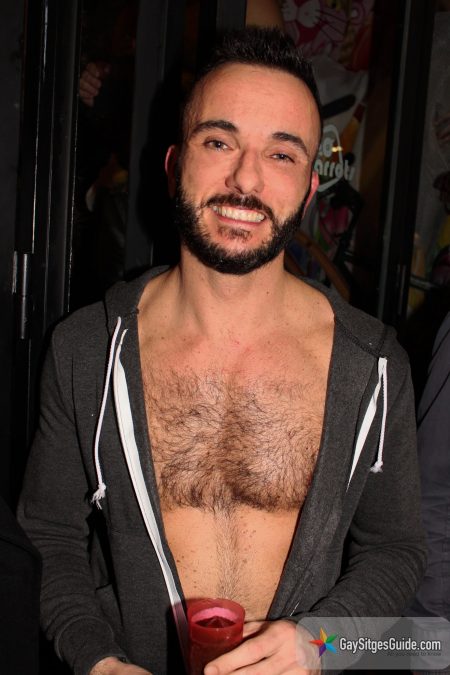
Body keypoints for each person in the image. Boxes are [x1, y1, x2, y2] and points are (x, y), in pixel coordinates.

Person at [18, 27, 426, 675]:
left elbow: (396, 551)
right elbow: (51, 537)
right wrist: (98, 661)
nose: (245, 178)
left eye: (282, 154)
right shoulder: (86, 350)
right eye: (219, 141)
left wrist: (321, 643)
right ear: (174, 165)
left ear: (309, 190)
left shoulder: (373, 367)